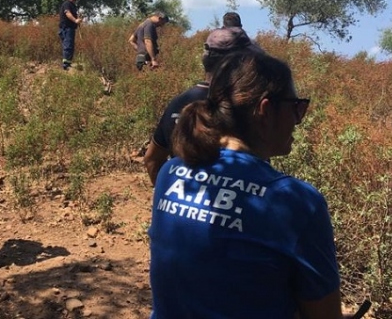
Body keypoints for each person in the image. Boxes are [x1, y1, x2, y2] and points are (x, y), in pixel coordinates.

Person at [149, 51, 355, 318]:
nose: (298, 120)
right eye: (296, 107)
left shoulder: (170, 172)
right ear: (266, 110)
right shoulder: (295, 201)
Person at [143, 27, 262, 185]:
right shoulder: (245, 107)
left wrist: (170, 196)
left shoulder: (178, 103)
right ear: (237, 64)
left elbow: (152, 159)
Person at [58, 0, 83, 70]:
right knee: (68, 45)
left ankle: (68, 63)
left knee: (70, 46)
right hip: (66, 28)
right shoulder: (67, 4)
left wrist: (78, 19)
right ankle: (66, 65)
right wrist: (75, 20)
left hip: (71, 29)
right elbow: (68, 13)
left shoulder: (73, 6)